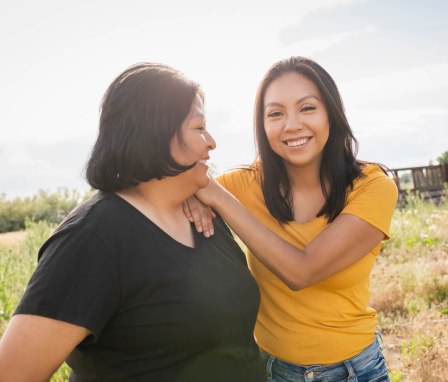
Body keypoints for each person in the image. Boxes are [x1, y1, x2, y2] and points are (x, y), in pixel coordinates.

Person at [0, 63, 266, 382]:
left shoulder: (204, 217)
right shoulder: (93, 238)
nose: (211, 142)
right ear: (154, 135)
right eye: (199, 128)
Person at [184, 56, 398, 382]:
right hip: (272, 371)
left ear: (331, 113)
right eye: (276, 114)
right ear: (262, 125)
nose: (292, 124)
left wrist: (212, 196)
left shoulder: (372, 185)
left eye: (307, 108)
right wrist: (190, 193)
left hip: (355, 371)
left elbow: (302, 270)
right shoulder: (242, 184)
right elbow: (171, 184)